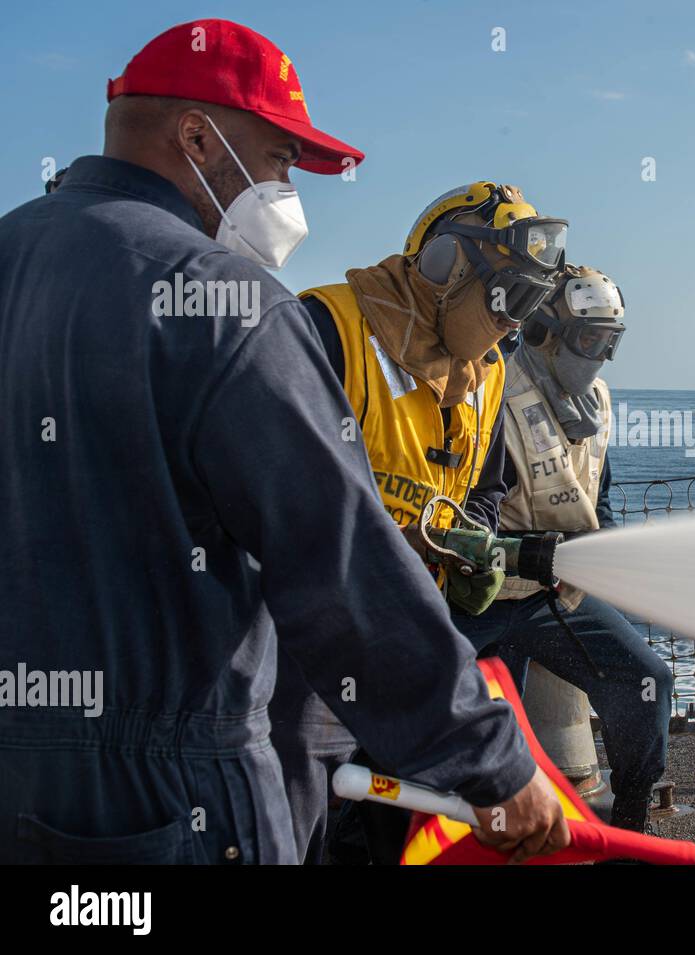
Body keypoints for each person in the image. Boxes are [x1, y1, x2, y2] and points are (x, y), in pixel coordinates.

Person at [0, 18, 567, 864]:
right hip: (173, 790)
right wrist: (489, 757)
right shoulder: (225, 303)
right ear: (196, 136)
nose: (284, 190)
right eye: (275, 161)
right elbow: (336, 557)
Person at [271, 181, 569, 863]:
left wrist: (472, 540)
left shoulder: (490, 371)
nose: (515, 325)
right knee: (294, 831)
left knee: (400, 838)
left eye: (530, 303)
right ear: (447, 268)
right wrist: (390, 545)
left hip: (408, 647)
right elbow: (273, 500)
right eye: (510, 297)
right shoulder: (327, 329)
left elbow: (486, 485)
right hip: (306, 659)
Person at [451, 265, 675, 833]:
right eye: (587, 338)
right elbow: (462, 506)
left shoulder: (597, 403)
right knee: (418, 705)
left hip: (554, 595)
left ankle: (629, 822)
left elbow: (597, 495)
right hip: (473, 598)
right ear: (541, 331)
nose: (598, 354)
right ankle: (363, 834)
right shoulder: (487, 389)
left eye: (609, 341)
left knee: (647, 680)